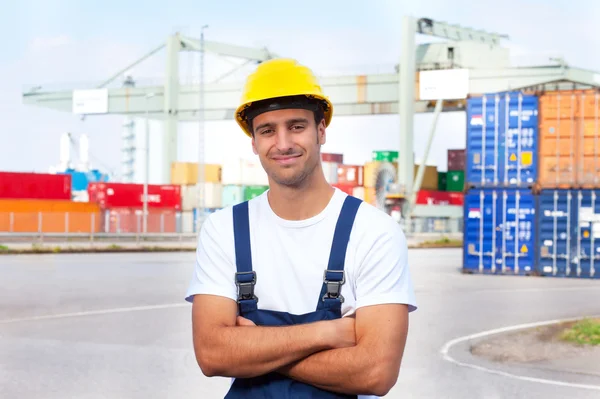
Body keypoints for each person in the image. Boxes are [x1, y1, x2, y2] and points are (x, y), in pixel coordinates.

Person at [185, 58, 417, 399]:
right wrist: (328, 334)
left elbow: (376, 372)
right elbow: (211, 354)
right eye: (267, 130)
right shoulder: (224, 230)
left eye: (296, 126)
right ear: (253, 141)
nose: (282, 143)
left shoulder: (374, 232)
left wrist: (252, 349)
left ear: (321, 130)